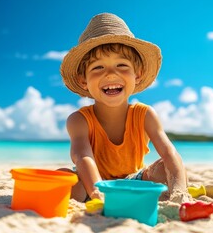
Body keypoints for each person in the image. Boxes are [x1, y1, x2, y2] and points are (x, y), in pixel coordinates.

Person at [59, 12, 189, 203]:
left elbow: (169, 153)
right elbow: (82, 157)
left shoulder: (145, 115)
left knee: (167, 168)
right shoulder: (79, 120)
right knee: (65, 179)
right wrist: (98, 193)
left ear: (137, 75)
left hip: (132, 181)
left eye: (121, 65)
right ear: (83, 80)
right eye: (98, 67)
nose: (111, 74)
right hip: (92, 183)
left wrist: (180, 191)